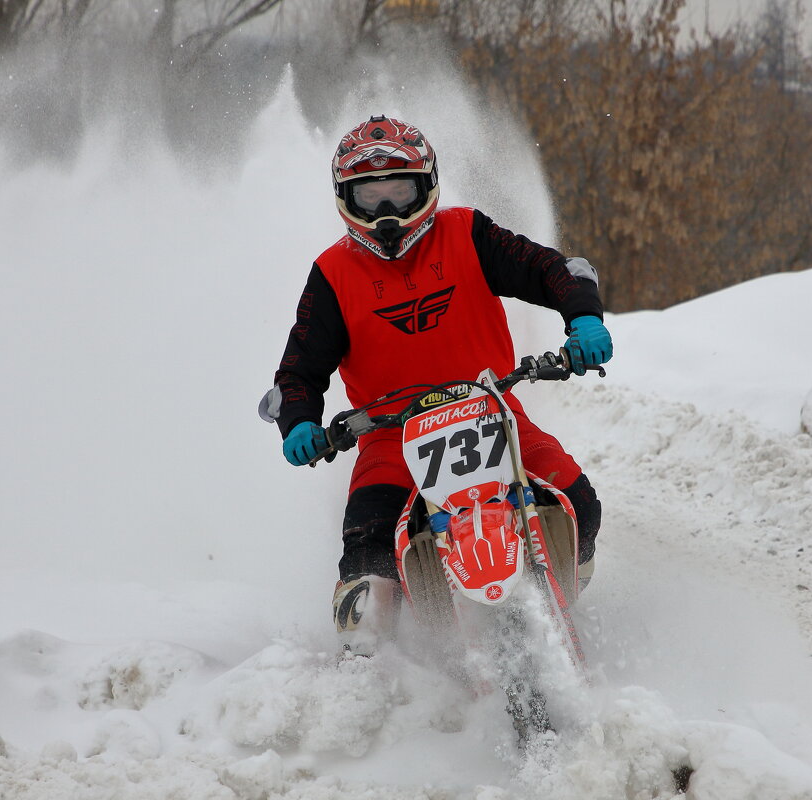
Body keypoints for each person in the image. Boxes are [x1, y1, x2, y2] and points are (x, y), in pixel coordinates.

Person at [260, 115, 613, 655]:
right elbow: (298, 371)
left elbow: (552, 269)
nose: (387, 212)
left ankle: (559, 613)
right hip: (390, 438)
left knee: (581, 506)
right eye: (370, 196)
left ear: (426, 186)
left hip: (494, 412)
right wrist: (300, 422)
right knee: (365, 559)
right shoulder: (332, 274)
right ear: (344, 198)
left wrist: (583, 317)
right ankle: (368, 674)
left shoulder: (468, 233)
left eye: (399, 192)